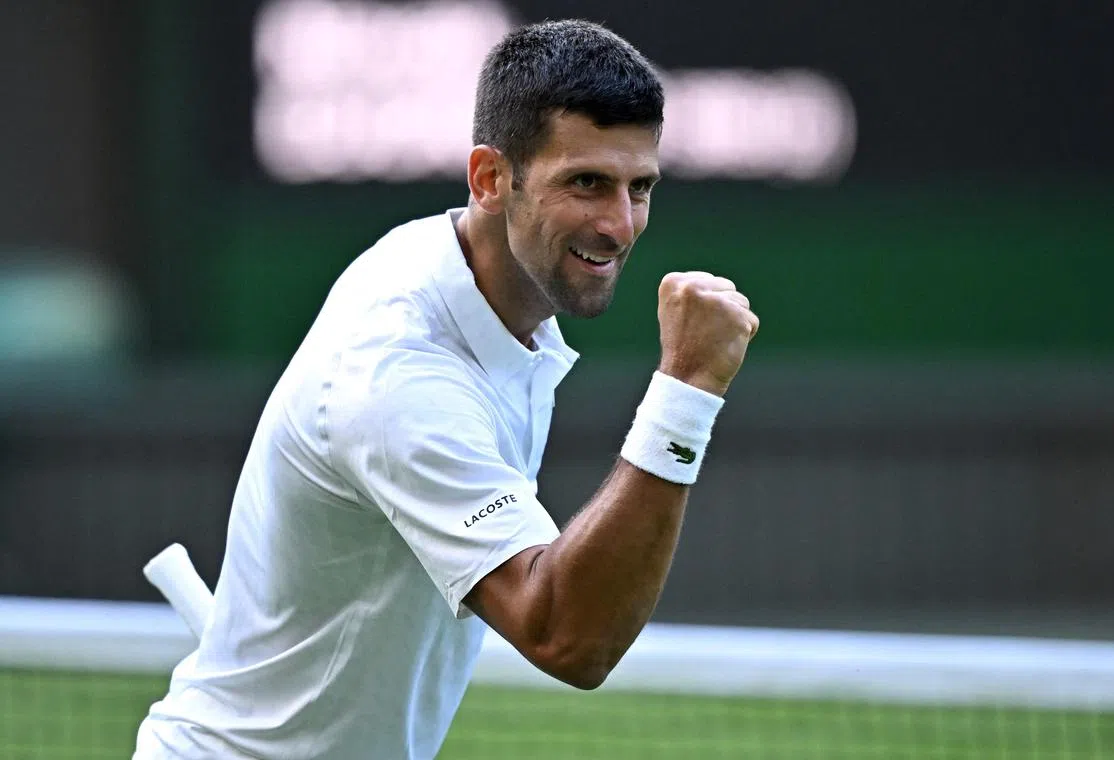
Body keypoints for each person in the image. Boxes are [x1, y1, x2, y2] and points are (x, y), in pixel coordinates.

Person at [134, 18, 759, 760]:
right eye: (586, 183)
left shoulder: (465, 279)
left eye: (640, 187)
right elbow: (568, 636)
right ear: (490, 180)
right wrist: (686, 392)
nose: (620, 225)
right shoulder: (398, 371)